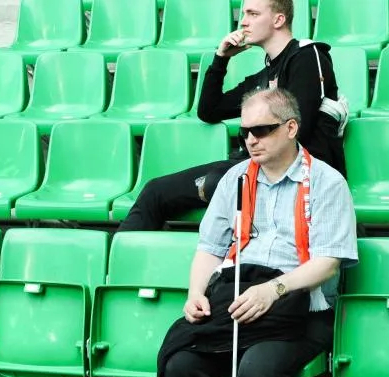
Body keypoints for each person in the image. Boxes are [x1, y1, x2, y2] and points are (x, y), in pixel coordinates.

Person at [156, 88, 357, 377]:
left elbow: (329, 261)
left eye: (262, 130)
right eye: (245, 131)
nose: (251, 139)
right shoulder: (236, 179)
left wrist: (275, 289)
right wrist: (196, 293)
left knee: (257, 371)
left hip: (299, 307)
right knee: (180, 364)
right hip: (239, 297)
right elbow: (210, 247)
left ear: (291, 128)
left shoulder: (326, 182)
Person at [119, 0, 346, 231]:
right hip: (254, 166)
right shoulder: (264, 78)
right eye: (244, 14)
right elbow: (209, 111)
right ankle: (126, 253)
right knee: (155, 191)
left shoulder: (307, 56)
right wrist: (221, 58)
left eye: (253, 14)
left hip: (297, 174)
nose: (243, 22)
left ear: (278, 20)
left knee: (216, 181)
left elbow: (299, 130)